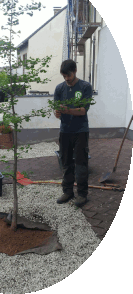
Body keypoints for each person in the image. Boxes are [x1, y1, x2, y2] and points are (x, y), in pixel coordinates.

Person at [54, 59, 93, 207]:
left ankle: (82, 195)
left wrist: (67, 110)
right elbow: (57, 111)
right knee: (66, 161)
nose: (66, 79)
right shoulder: (59, 89)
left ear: (75, 71)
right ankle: (68, 191)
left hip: (80, 131)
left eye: (68, 76)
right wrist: (57, 113)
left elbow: (83, 110)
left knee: (81, 163)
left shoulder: (85, 87)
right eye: (64, 76)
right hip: (65, 131)